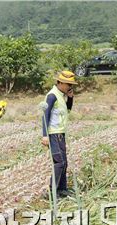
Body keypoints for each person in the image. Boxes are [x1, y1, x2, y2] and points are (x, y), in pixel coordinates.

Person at [41, 70, 77, 198]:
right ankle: (52, 192)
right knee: (59, 162)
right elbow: (45, 115)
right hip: (53, 134)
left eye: (71, 85)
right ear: (60, 82)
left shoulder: (61, 95)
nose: (70, 87)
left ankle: (62, 189)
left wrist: (70, 98)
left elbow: (67, 110)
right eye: (68, 84)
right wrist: (44, 135)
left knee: (64, 162)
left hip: (60, 134)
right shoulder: (52, 96)